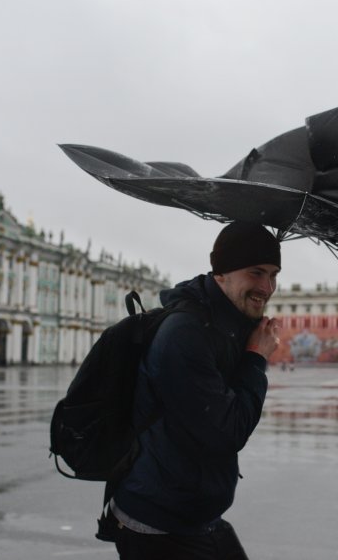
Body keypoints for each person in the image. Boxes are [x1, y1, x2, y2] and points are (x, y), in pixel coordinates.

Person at [109, 221, 281, 560]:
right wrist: (255, 358)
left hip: (192, 514)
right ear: (222, 274)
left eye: (274, 274)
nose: (268, 286)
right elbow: (228, 431)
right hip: (158, 524)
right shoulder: (186, 333)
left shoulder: (220, 324)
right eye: (256, 272)